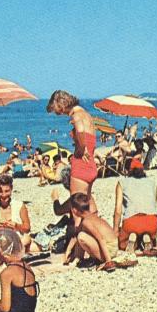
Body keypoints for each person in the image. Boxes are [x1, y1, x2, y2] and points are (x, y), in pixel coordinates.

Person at [46, 90, 99, 219]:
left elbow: (80, 129)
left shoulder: (76, 115)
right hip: (90, 165)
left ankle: (79, 236)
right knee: (87, 206)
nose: (58, 113)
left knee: (77, 212)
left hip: (81, 165)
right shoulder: (87, 115)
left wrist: (81, 148)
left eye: (57, 109)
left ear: (62, 103)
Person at [113, 162, 157, 252]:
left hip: (131, 222)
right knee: (150, 235)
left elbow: (118, 210)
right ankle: (146, 236)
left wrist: (115, 230)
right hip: (151, 221)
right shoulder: (153, 182)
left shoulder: (122, 183)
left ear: (128, 171)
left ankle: (132, 237)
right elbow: (154, 204)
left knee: (122, 243)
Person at [63, 193, 118, 269]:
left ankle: (103, 260)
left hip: (109, 250)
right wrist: (68, 251)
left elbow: (100, 238)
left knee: (81, 236)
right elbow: (75, 236)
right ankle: (78, 259)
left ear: (74, 210)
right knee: (80, 234)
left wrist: (109, 261)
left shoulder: (86, 221)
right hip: (113, 246)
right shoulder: (91, 217)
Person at [0, 174, 32, 260]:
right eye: (0, 192)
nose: (4, 195)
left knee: (27, 239)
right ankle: (12, 257)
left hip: (16, 240)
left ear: (11, 189)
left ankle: (6, 258)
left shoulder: (19, 205)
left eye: (7, 191)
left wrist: (16, 226)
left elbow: (27, 228)